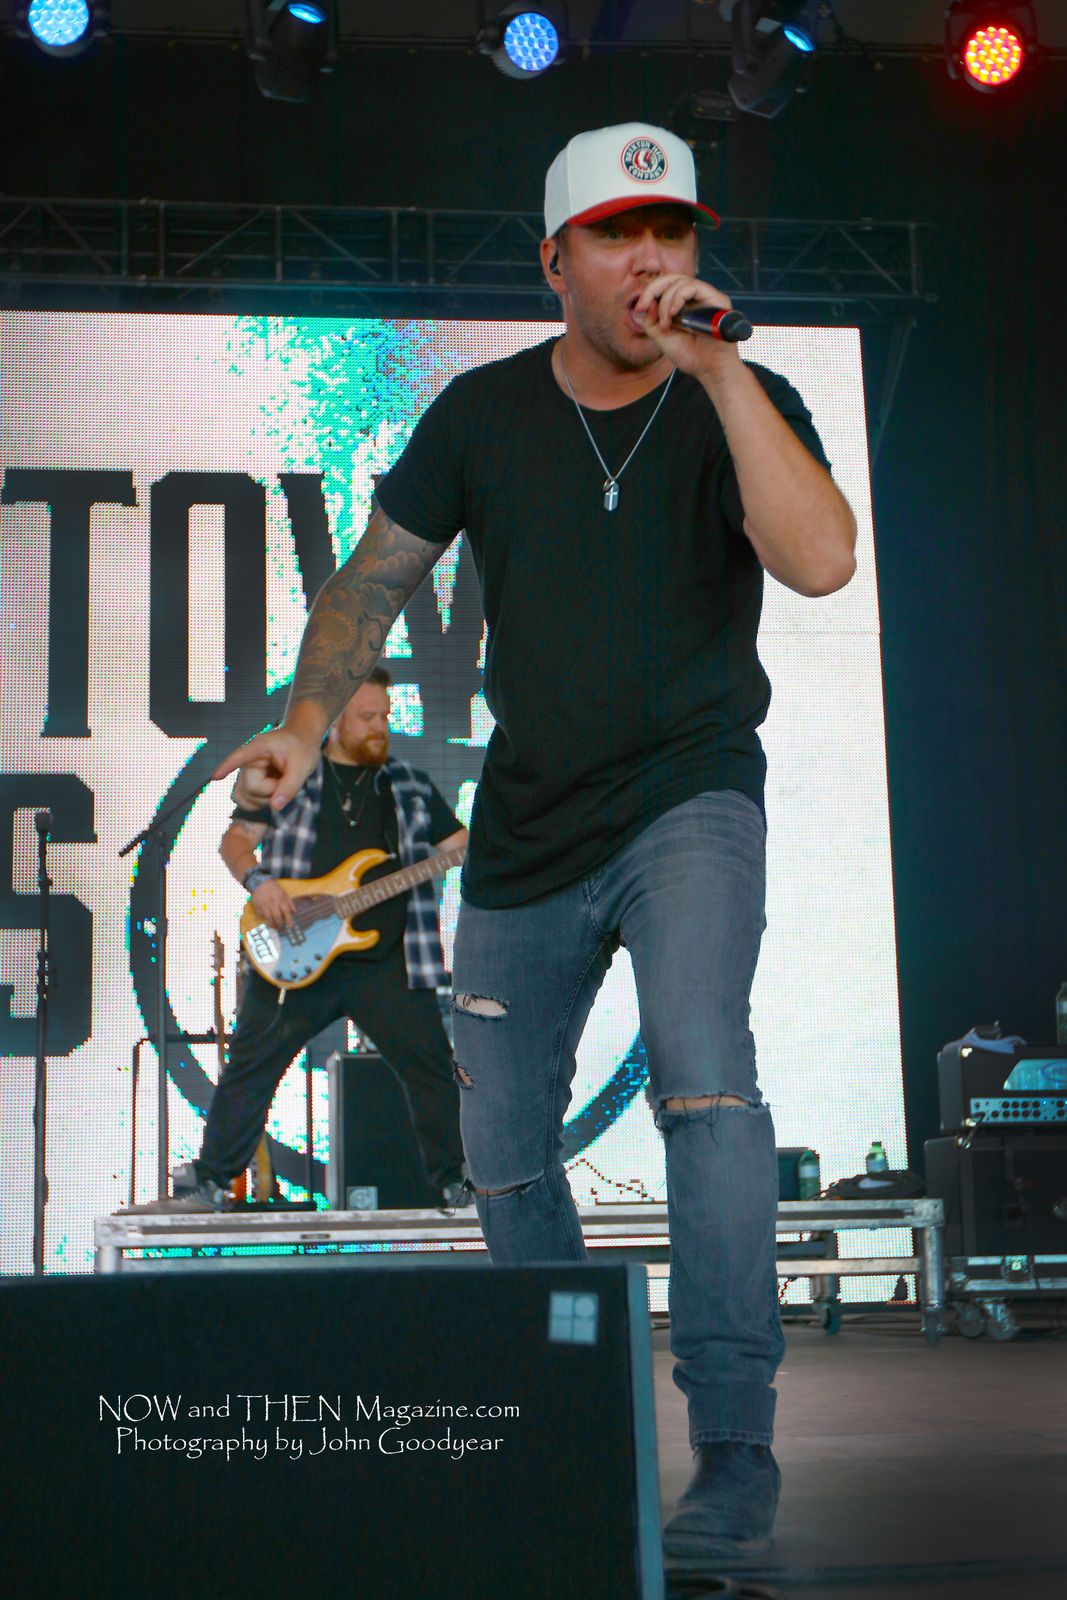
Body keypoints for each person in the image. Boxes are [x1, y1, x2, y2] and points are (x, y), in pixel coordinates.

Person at [214, 123, 857, 1560]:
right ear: (554, 261)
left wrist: (721, 374)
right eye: (619, 235)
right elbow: (371, 582)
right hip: (526, 825)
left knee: (704, 1076)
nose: (650, 259)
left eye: (671, 233)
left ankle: (733, 1450)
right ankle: (573, 1428)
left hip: (690, 796)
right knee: (500, 1144)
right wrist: (306, 726)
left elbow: (819, 560)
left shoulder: (744, 396)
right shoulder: (482, 415)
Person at [136, 668, 469, 1214]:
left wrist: (491, 846)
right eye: (367, 717)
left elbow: (460, 844)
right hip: (294, 951)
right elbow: (236, 842)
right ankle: (210, 1182)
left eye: (385, 716)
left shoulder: (408, 786)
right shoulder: (291, 775)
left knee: (431, 1066)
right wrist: (259, 883)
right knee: (252, 1063)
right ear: (335, 720)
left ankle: (461, 1183)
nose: (380, 726)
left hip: (387, 962)